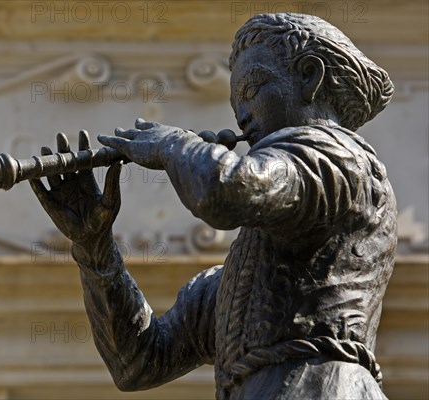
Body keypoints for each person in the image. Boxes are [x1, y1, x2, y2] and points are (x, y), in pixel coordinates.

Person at [30, 13, 396, 400]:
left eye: (253, 89)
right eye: (235, 101)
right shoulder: (240, 287)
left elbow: (226, 191)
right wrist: (94, 246)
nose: (241, 114)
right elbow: (137, 363)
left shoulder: (340, 157)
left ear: (309, 76)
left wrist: (172, 145)